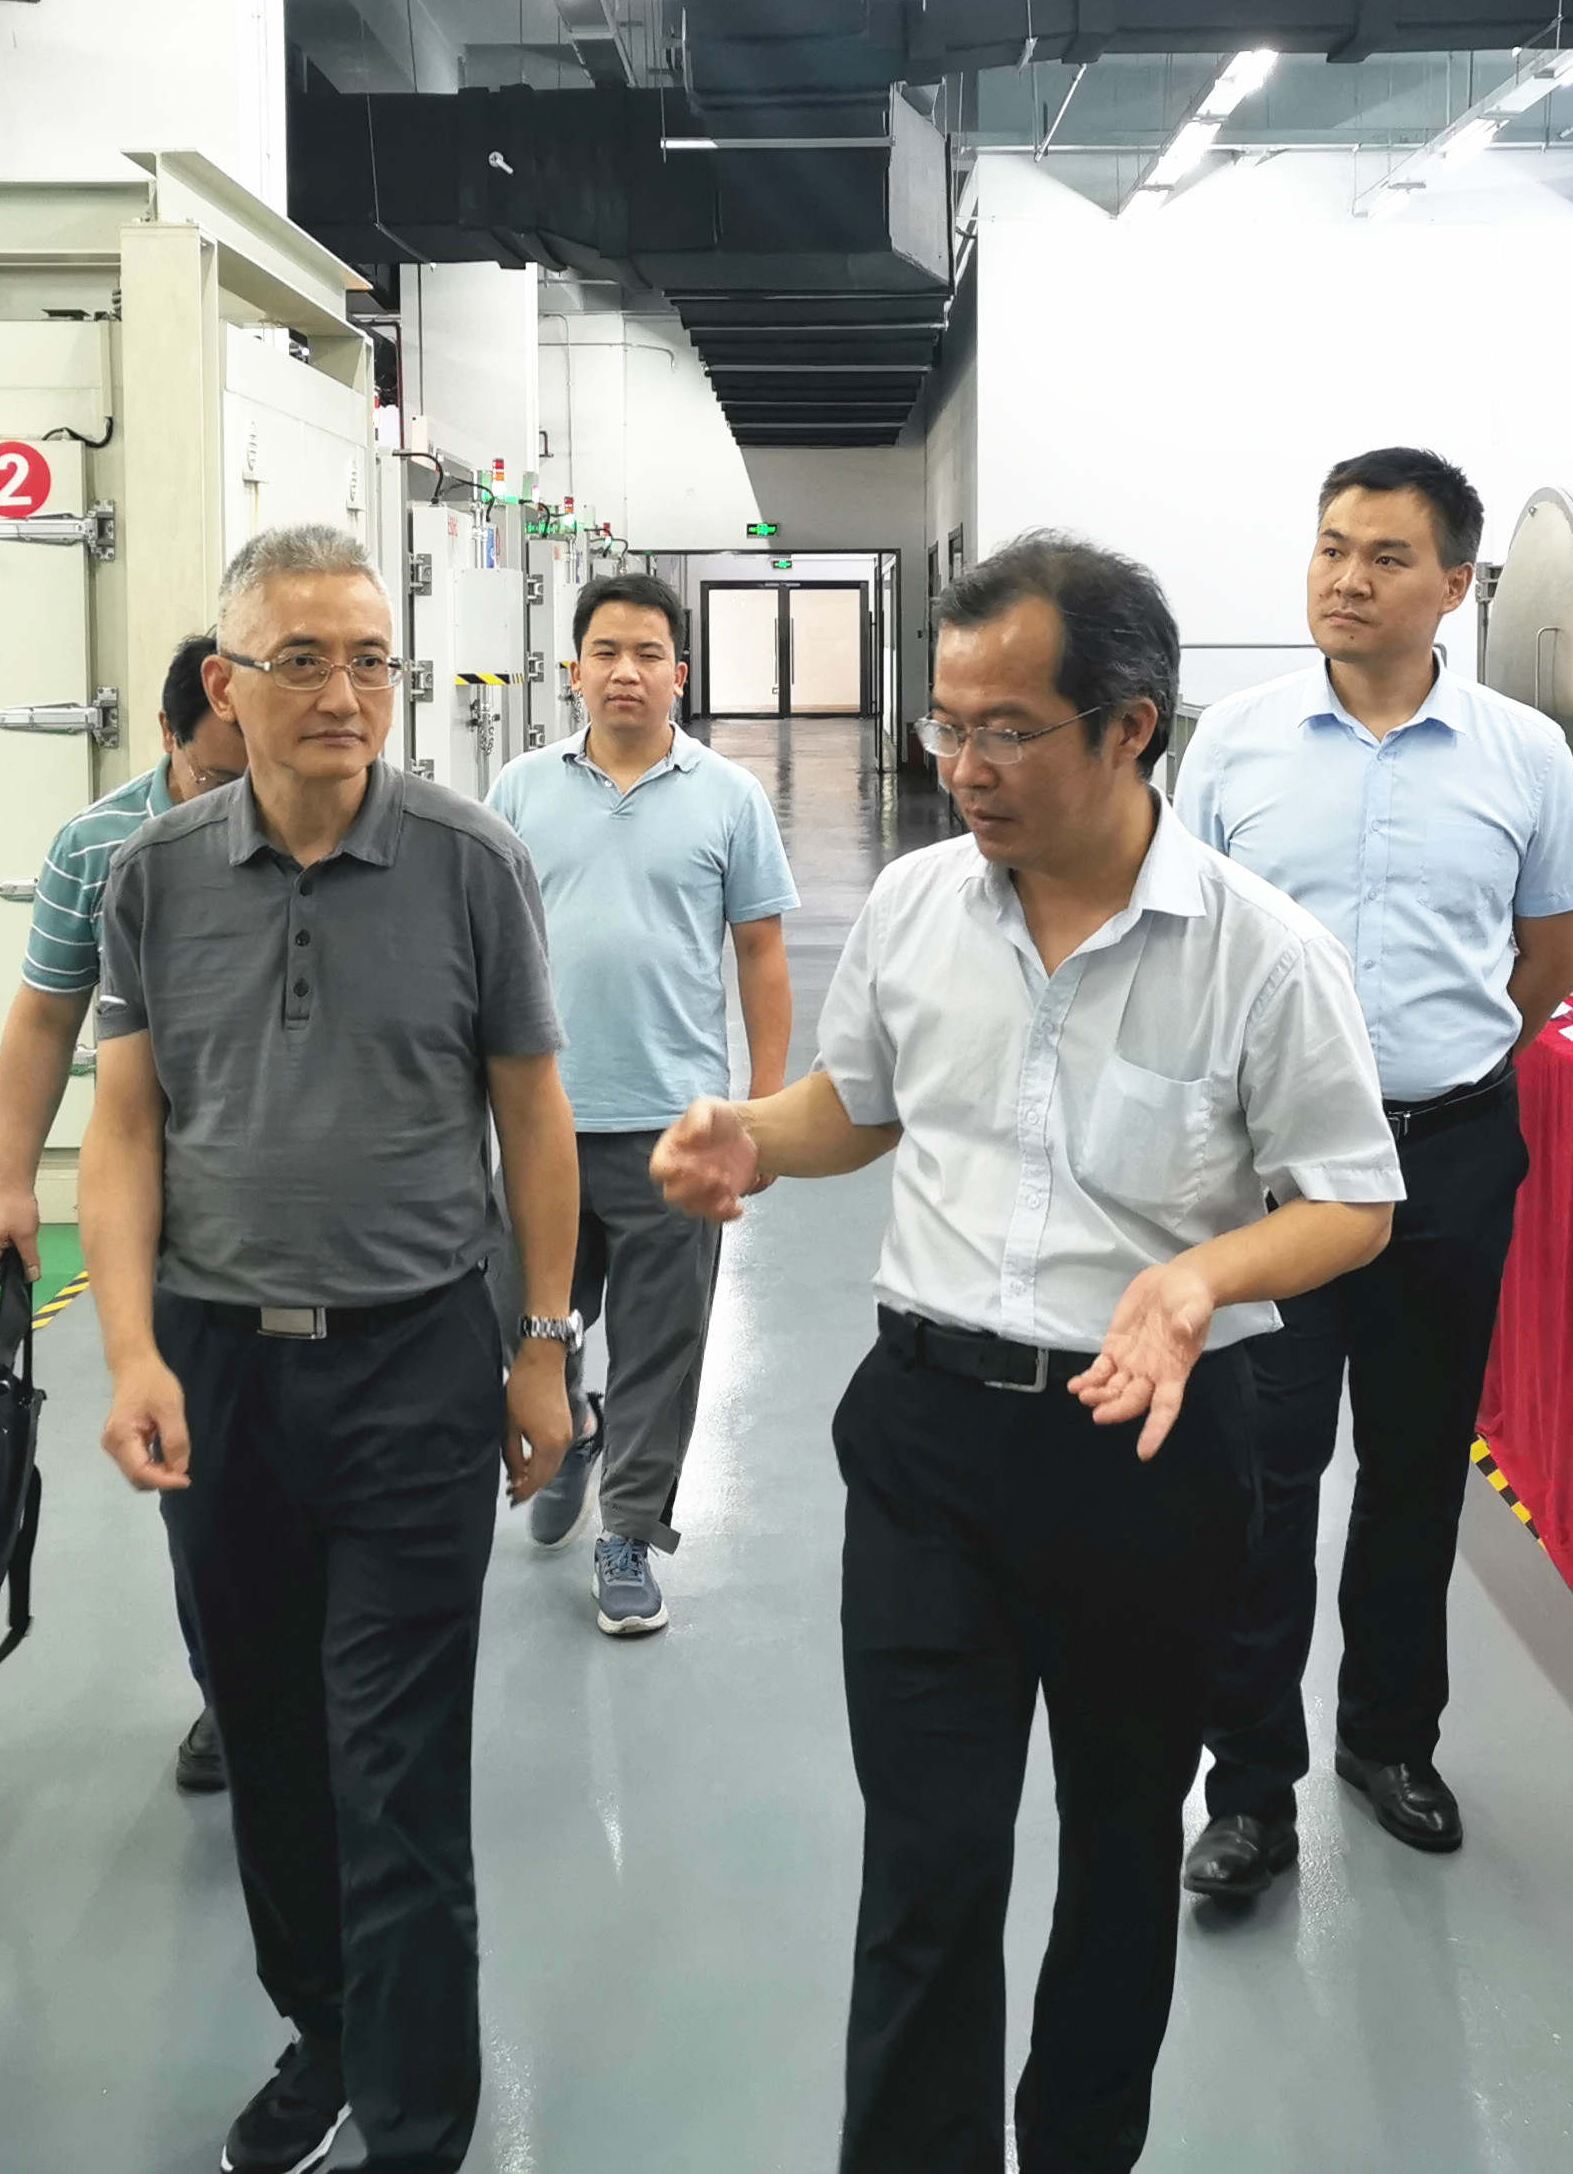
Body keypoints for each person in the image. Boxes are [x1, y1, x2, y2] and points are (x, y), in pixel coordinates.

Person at [650, 533, 1400, 2174]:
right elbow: (856, 1105)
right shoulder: (917, 906)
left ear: (1131, 728)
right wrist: (752, 1136)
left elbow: (1353, 1201)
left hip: (1147, 1455)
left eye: (1008, 729)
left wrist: (1202, 1276)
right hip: (927, 1438)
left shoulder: (1261, 953)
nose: (967, 766)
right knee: (927, 1860)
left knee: (1122, 1845)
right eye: (950, 724)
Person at [80, 523, 581, 2174]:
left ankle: (420, 2123)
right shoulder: (157, 875)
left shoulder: (469, 861)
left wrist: (541, 1342)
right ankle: (329, 2035)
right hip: (219, 1368)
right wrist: (132, 1350)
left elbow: (533, 1111)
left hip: (414, 1360)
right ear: (227, 683)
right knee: (271, 1742)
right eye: (303, 659)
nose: (347, 692)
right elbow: (127, 1127)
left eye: (372, 659)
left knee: (396, 1759)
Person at [1171, 446, 1573, 1891]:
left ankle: (1389, 1740)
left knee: (1417, 1470)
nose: (1346, 579)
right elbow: (1186, 942)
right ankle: (1249, 1788)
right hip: (1277, 1171)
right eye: (1331, 548)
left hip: (1450, 1158)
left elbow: (1552, 956)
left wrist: (1440, 1066)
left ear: (1456, 584)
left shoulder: (1523, 755)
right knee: (1262, 1477)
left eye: (1386, 557)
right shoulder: (1233, 742)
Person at [487, 571, 796, 1636]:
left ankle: (628, 1533)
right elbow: (482, 952)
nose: (627, 671)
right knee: (531, 1319)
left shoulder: (729, 797)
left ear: (680, 673)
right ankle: (574, 1427)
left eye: (648, 653)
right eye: (607, 652)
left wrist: (762, 1114)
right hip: (544, 1127)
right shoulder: (520, 791)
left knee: (665, 1349)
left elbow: (761, 954)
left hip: (676, 1128)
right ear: (573, 669)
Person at [0, 630, 246, 1794]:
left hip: (302, 1207)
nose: (236, 798)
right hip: (165, 1213)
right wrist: (12, 1183)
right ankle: (230, 1693)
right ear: (168, 735)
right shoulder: (100, 847)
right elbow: (44, 1019)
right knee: (204, 1488)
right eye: (214, 773)